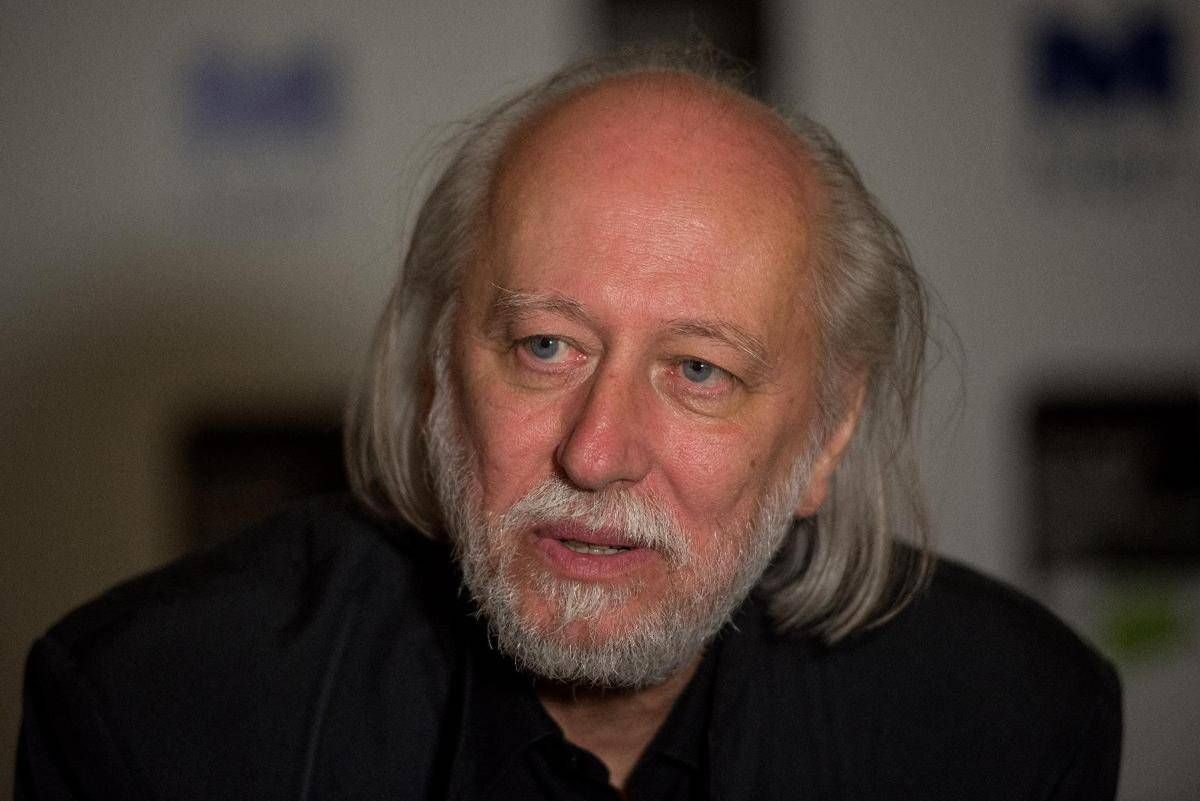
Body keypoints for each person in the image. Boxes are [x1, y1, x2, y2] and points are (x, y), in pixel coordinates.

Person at [17, 50, 1121, 800]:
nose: (595, 454)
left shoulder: (1009, 727)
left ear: (828, 435)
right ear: (439, 376)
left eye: (699, 370)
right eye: (547, 346)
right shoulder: (157, 717)